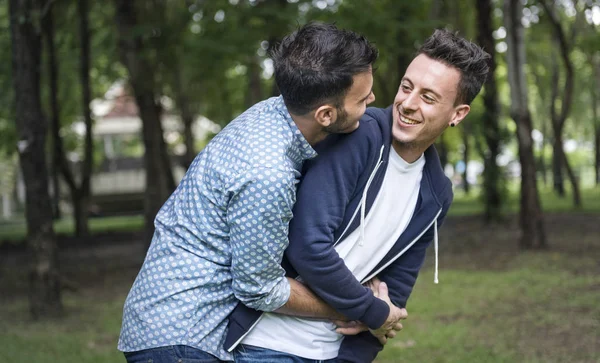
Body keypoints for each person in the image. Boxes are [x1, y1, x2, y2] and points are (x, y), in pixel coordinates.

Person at [118, 22, 407, 363]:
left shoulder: (269, 114)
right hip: (181, 340)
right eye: (363, 99)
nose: (374, 101)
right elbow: (259, 289)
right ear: (326, 115)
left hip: (167, 329)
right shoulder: (268, 175)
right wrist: (354, 308)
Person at [226, 28, 491, 363]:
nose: (407, 104)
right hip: (269, 344)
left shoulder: (437, 193)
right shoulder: (360, 134)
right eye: (406, 87)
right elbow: (308, 245)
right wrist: (371, 310)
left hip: (335, 353)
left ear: (457, 114)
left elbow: (395, 294)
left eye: (428, 97)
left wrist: (368, 334)